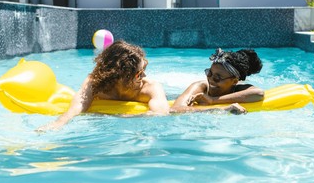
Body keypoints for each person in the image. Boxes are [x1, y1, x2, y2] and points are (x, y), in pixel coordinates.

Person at [37, 40, 169, 132]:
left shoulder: (150, 88)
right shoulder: (96, 83)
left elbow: (161, 113)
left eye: (144, 69)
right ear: (121, 75)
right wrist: (59, 123)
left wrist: (120, 117)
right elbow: (79, 105)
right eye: (139, 73)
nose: (144, 76)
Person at [171, 48, 264, 114]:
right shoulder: (201, 86)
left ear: (234, 81)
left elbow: (259, 93)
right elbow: (175, 110)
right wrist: (219, 110)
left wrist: (212, 100)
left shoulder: (238, 89)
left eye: (217, 78)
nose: (211, 79)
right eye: (209, 73)